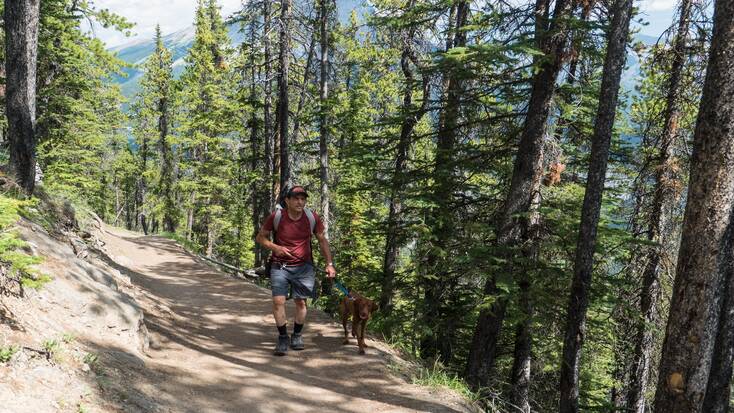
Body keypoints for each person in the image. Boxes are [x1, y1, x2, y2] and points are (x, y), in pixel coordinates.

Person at [255, 185, 336, 356]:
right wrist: (275, 247)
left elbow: (322, 241)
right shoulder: (277, 217)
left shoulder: (311, 217)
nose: (300, 202)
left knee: (301, 302)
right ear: (287, 200)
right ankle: (283, 337)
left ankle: (297, 335)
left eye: (303, 199)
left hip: (304, 267)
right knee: (278, 301)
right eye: (296, 199)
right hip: (280, 265)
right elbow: (260, 237)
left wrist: (329, 264)